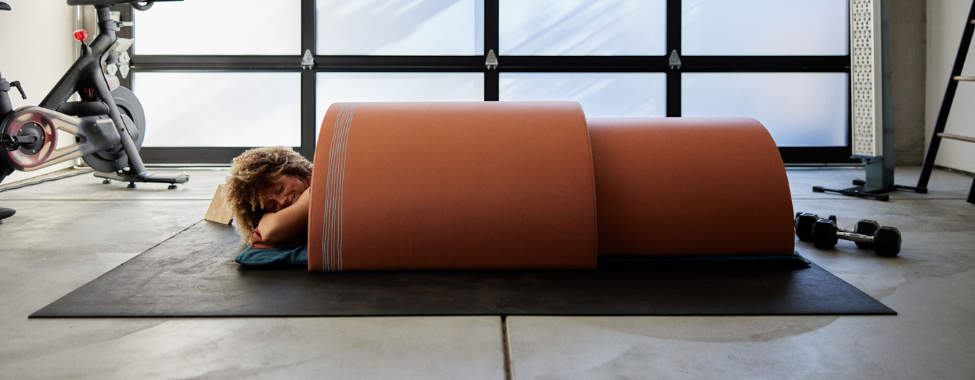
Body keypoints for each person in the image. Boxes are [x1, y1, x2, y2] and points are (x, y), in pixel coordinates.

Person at [223, 146, 312, 265]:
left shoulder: (324, 179)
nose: (282, 201)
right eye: (272, 206)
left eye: (280, 189)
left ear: (294, 172)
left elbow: (271, 231)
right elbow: (270, 231)